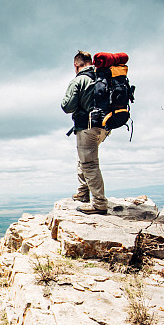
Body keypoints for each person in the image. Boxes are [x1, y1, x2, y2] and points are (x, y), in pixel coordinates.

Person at [61, 50, 109, 215]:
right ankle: (83, 192)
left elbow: (67, 106)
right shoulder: (103, 76)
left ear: (76, 65)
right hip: (105, 126)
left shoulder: (80, 80)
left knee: (89, 163)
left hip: (88, 126)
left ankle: (99, 204)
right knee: (84, 158)